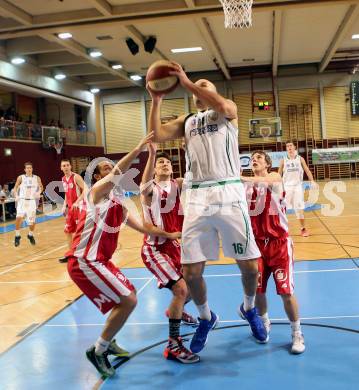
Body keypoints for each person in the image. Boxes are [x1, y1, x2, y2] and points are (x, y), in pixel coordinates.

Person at [147, 62, 267, 355]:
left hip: (228, 192)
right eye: (196, 87)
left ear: (212, 92)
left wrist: (187, 80)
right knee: (191, 272)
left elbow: (219, 103)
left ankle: (249, 309)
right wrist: (156, 99)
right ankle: (205, 317)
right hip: (197, 197)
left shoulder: (227, 111)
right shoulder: (188, 121)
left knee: (250, 267)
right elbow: (158, 135)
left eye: (205, 86)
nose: (199, 89)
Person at [66, 132, 182, 377]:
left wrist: (171, 235)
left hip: (99, 262)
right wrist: (140, 147)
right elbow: (118, 171)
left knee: (126, 298)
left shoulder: (119, 203)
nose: (111, 172)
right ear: (99, 177)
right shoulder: (96, 192)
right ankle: (98, 351)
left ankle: (109, 339)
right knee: (128, 300)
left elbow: (144, 227)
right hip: (85, 260)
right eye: (106, 169)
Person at [241, 151, 305, 354]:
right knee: (258, 290)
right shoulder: (245, 187)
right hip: (257, 245)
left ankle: (297, 333)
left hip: (279, 244)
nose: (255, 159)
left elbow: (265, 181)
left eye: (259, 157)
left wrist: (236, 177)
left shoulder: (275, 177)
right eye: (252, 158)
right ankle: (264, 322)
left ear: (268, 164)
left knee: (286, 292)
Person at [140, 143, 199, 364]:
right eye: (160, 163)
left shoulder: (179, 184)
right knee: (181, 289)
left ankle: (175, 310)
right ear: (154, 169)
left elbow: (195, 173)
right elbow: (144, 185)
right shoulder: (150, 190)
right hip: (155, 248)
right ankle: (173, 344)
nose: (165, 164)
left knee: (194, 287)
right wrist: (152, 154)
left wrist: (189, 151)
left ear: (173, 169)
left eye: (167, 162)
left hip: (175, 246)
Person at [278, 141, 316, 237]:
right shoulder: (283, 160)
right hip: (286, 187)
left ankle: (303, 229)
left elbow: (307, 170)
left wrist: (312, 181)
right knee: (282, 209)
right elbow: (278, 174)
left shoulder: (300, 159)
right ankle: (281, 229)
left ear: (295, 147)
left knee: (299, 209)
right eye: (287, 146)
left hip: (298, 187)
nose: (289, 147)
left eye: (291, 145)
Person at [58, 159, 86, 263]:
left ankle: (83, 253)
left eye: (67, 165)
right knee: (68, 231)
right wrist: (64, 205)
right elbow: (66, 193)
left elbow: (86, 190)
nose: (65, 167)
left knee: (81, 232)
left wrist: (77, 202)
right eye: (63, 165)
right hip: (70, 209)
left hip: (79, 208)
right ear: (61, 168)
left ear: (70, 166)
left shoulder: (76, 177)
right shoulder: (63, 179)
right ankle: (71, 254)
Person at [13, 162, 43, 246]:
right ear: (25, 169)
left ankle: (30, 235)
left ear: (32, 169)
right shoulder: (21, 177)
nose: (29, 169)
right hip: (22, 201)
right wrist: (16, 195)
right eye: (27, 168)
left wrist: (39, 192)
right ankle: (17, 235)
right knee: (19, 218)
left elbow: (41, 186)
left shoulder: (37, 178)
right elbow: (15, 187)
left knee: (32, 222)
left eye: (30, 168)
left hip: (31, 201)